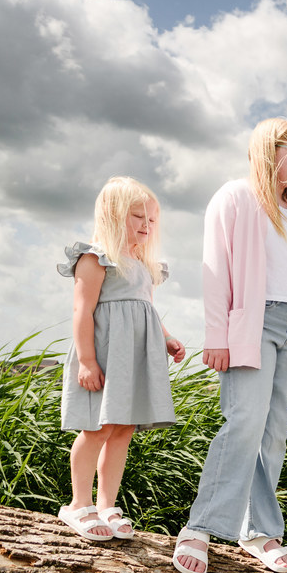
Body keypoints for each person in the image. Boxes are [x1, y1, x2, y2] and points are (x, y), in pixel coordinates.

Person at [172, 117, 287, 573]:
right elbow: (215, 270)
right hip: (254, 323)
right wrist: (217, 336)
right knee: (243, 422)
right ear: (267, 150)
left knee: (274, 431)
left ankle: (258, 530)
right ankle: (199, 527)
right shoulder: (236, 197)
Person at [58, 176, 186, 541]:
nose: (146, 226)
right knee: (96, 428)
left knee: (123, 430)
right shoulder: (96, 257)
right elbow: (82, 311)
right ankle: (77, 503)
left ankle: (106, 504)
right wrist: (86, 361)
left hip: (134, 361)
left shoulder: (144, 264)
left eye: (151, 220)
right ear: (115, 215)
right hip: (104, 356)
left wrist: (167, 338)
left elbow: (146, 311)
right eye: (137, 217)